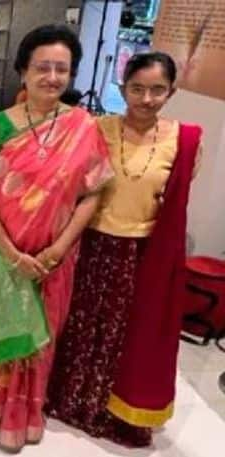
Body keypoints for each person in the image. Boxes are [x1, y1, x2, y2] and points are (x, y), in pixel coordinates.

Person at [0, 24, 113, 453]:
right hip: (2, 255)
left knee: (42, 337)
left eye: (62, 69)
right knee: (2, 329)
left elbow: (92, 193)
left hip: (54, 259)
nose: (52, 77)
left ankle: (26, 416)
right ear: (23, 71)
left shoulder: (83, 125)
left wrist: (58, 248)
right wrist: (12, 254)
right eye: (43, 67)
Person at [46, 52, 204, 447]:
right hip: (91, 243)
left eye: (157, 90)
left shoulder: (184, 141)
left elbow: (173, 202)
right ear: (122, 89)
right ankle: (72, 401)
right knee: (81, 323)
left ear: (172, 91)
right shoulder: (97, 129)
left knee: (125, 332)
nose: (146, 99)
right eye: (137, 88)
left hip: (142, 253)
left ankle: (112, 408)